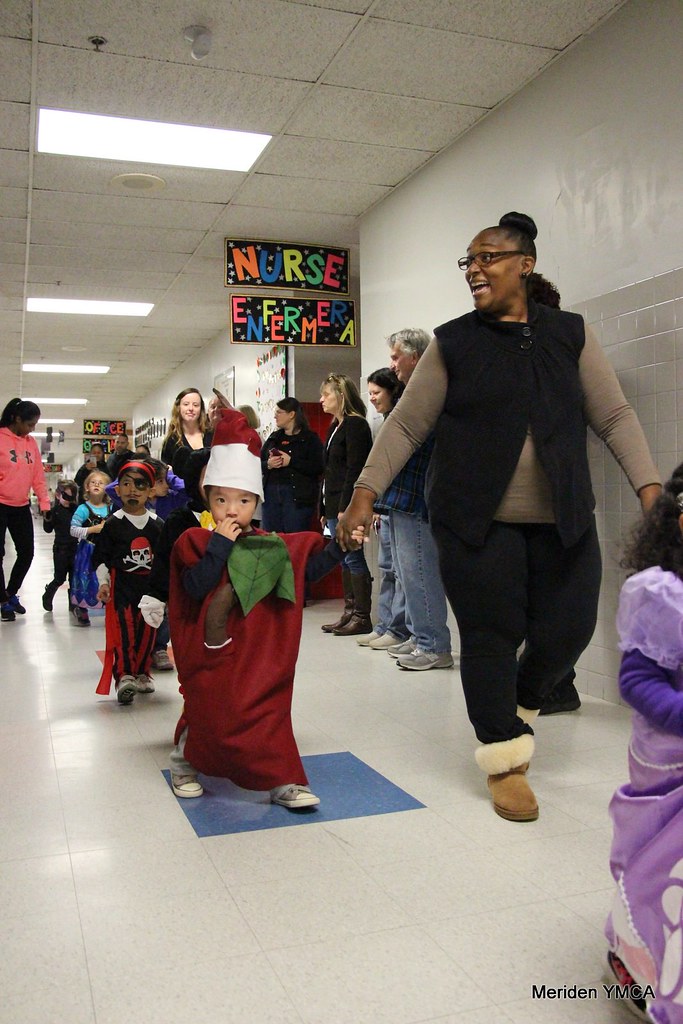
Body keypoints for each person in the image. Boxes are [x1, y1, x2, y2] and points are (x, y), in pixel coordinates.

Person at [339, 210, 661, 822]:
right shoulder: (453, 342)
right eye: (469, 261)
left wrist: (651, 491)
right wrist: (364, 492)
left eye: (487, 257)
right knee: (491, 635)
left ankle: (517, 703)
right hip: (474, 522)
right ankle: (505, 760)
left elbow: (614, 415)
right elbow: (405, 425)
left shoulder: (570, 334)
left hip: (564, 518)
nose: (474, 269)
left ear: (525, 265)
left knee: (569, 629)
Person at [167, 408, 365, 805]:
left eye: (242, 500)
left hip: (259, 654)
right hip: (212, 653)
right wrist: (220, 546)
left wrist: (341, 547)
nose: (231, 509)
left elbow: (307, 571)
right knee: (208, 707)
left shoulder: (272, 545)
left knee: (268, 710)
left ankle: (282, 780)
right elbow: (194, 587)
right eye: (221, 500)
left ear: (256, 502)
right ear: (208, 499)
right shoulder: (194, 541)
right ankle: (184, 763)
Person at [604, 464, 683, 1024]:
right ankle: (647, 963)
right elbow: (636, 681)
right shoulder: (661, 593)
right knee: (664, 871)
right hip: (669, 757)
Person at [371, 332, 454, 671]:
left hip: (417, 497)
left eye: (396, 357)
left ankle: (433, 644)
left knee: (419, 571)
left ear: (416, 356)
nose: (392, 365)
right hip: (402, 497)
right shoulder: (413, 394)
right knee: (406, 573)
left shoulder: (429, 393)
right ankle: (421, 637)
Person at [526, 273, 582, 716]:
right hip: (552, 496)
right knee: (545, 601)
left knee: (549, 602)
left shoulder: (556, 355)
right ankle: (554, 684)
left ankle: (557, 686)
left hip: (554, 500)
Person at [93, 460, 163, 704]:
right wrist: (103, 583)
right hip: (122, 589)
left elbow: (164, 560)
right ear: (117, 489)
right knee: (124, 633)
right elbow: (101, 558)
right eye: (126, 484)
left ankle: (142, 672)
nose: (133, 490)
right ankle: (124, 675)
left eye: (140, 485)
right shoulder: (113, 524)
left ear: (150, 491)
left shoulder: (158, 525)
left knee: (147, 632)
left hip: (150, 591)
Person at [357, 368, 409, 650]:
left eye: (377, 392)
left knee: (401, 572)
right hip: (385, 506)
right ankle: (385, 625)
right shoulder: (384, 422)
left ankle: (400, 629)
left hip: (400, 506)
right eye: (370, 393)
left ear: (392, 391)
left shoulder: (402, 420)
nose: (373, 398)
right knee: (386, 569)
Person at [319, 373, 374, 636]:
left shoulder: (356, 425)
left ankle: (362, 616)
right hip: (332, 502)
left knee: (353, 556)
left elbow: (355, 469)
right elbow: (330, 471)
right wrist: (324, 508)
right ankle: (349, 611)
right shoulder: (335, 427)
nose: (321, 399)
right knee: (343, 558)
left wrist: (346, 507)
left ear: (341, 395)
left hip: (346, 503)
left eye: (326, 394)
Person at [0, 398, 50, 621]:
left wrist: (45, 504)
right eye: (30, 424)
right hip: (0, 504)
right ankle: (3, 602)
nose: (32, 429)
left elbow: (38, 476)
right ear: (17, 419)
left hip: (21, 505)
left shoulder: (31, 443)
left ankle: (10, 593)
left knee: (27, 552)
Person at [260, 398, 324, 534]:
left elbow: (318, 467)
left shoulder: (310, 439)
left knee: (294, 537)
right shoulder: (274, 438)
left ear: (291, 414)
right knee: (271, 537)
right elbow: (259, 463)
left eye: (279, 412)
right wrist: (269, 464)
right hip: (271, 495)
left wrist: (291, 461)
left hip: (297, 497)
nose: (275, 416)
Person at [70, 469, 113, 626]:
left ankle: (109, 606)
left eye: (101, 483)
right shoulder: (83, 509)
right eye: (93, 482)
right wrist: (91, 530)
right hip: (87, 550)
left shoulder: (111, 508)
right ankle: (82, 608)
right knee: (86, 578)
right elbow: (73, 530)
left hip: (106, 550)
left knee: (105, 577)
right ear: (87, 487)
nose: (97, 485)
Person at [42, 479, 79, 613]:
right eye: (66, 496)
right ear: (58, 495)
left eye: (71, 497)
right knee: (59, 578)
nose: (68, 500)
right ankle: (48, 595)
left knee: (74, 578)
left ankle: (73, 603)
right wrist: (47, 518)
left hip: (74, 547)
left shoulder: (76, 509)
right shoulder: (55, 511)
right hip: (60, 549)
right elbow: (48, 529)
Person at [161, 388, 212, 470]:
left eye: (195, 405)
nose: (191, 408)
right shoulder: (171, 441)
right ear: (178, 408)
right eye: (186, 404)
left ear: (201, 409)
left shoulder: (212, 434)